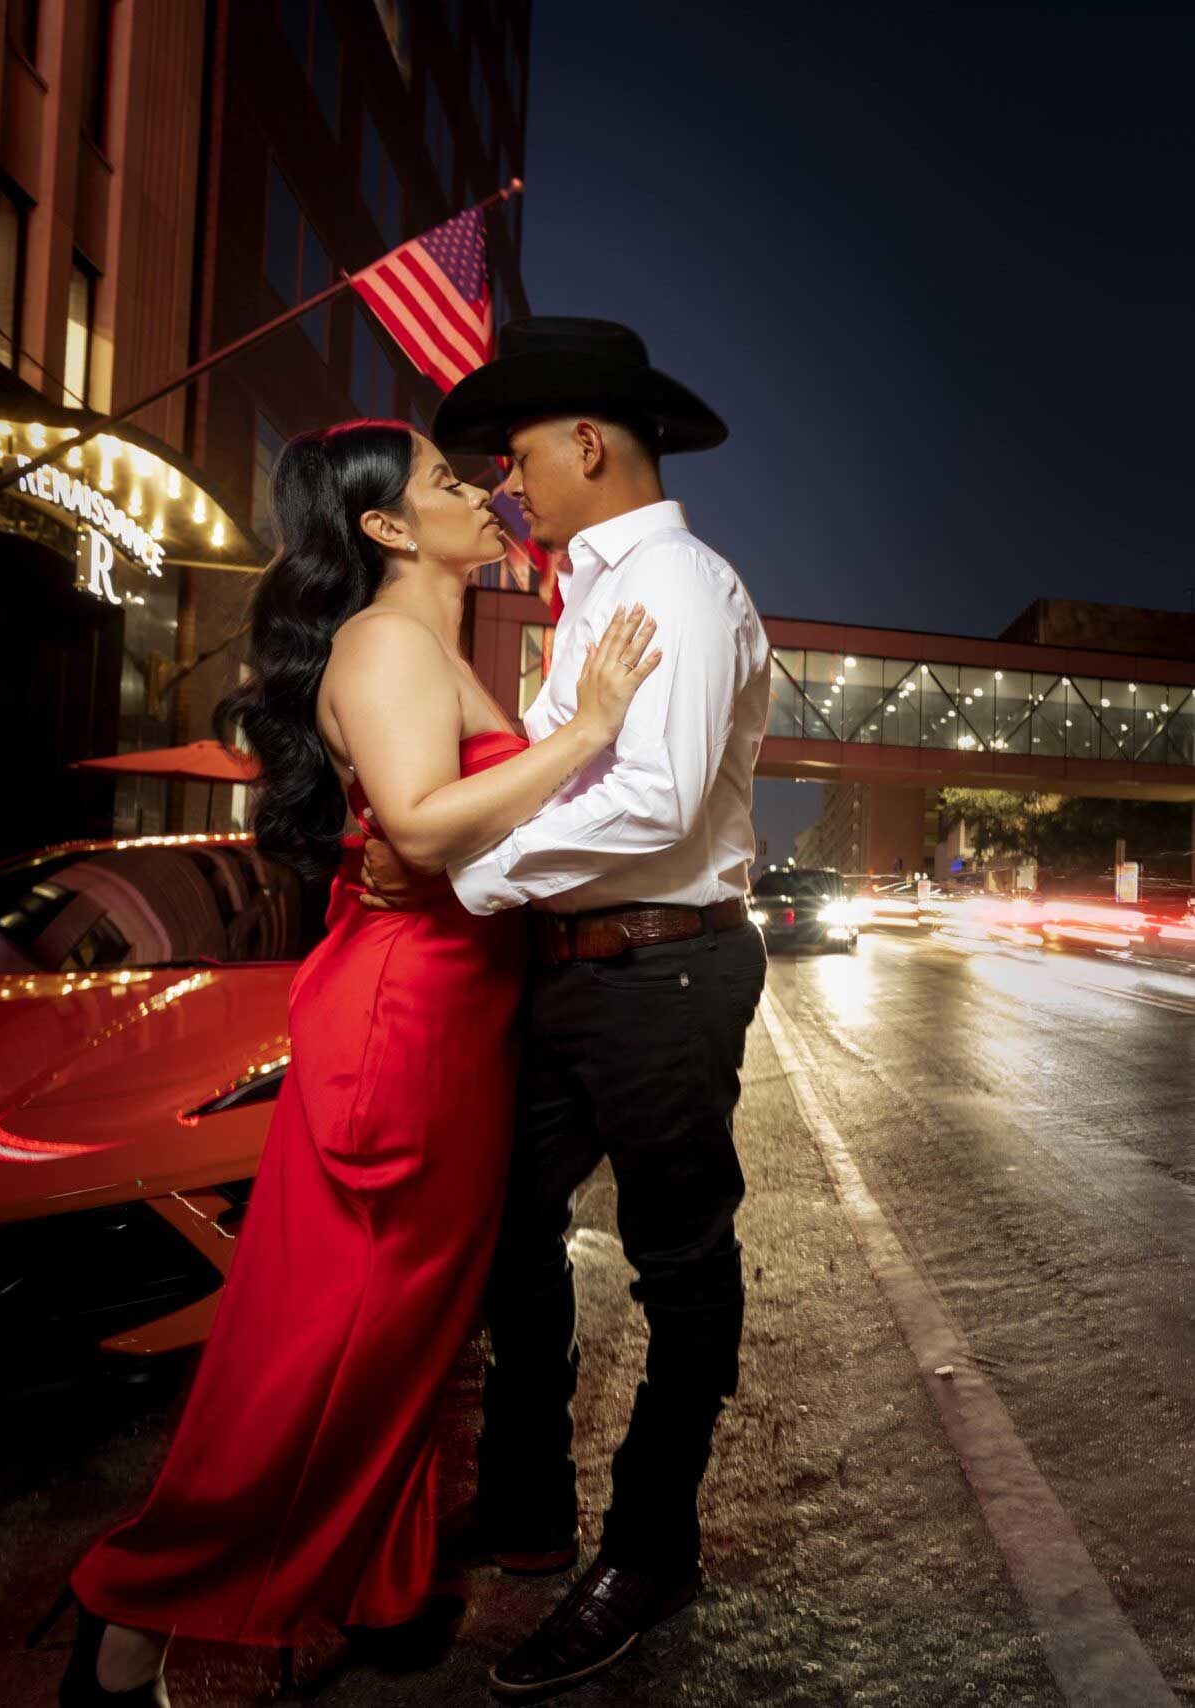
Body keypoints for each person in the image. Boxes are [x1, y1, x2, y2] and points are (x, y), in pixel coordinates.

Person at [32, 420, 661, 1706]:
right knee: (338, 1338)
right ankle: (135, 1602)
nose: (481, 490)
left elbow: (457, 829)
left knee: (404, 1337)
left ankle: (373, 1582)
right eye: (444, 480)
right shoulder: (383, 644)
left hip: (451, 1018)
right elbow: (423, 828)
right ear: (384, 528)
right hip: (403, 1025)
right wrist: (588, 727)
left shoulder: (429, 645)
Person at [364, 317, 772, 1700]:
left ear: (587, 443)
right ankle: (530, 1503)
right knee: (507, 1223)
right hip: (576, 966)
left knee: (679, 1262)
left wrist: (463, 870)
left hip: (666, 969)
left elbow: (653, 803)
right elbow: (557, 767)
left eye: (520, 454)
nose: (506, 484)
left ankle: (651, 1551)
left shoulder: (678, 583)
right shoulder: (594, 592)